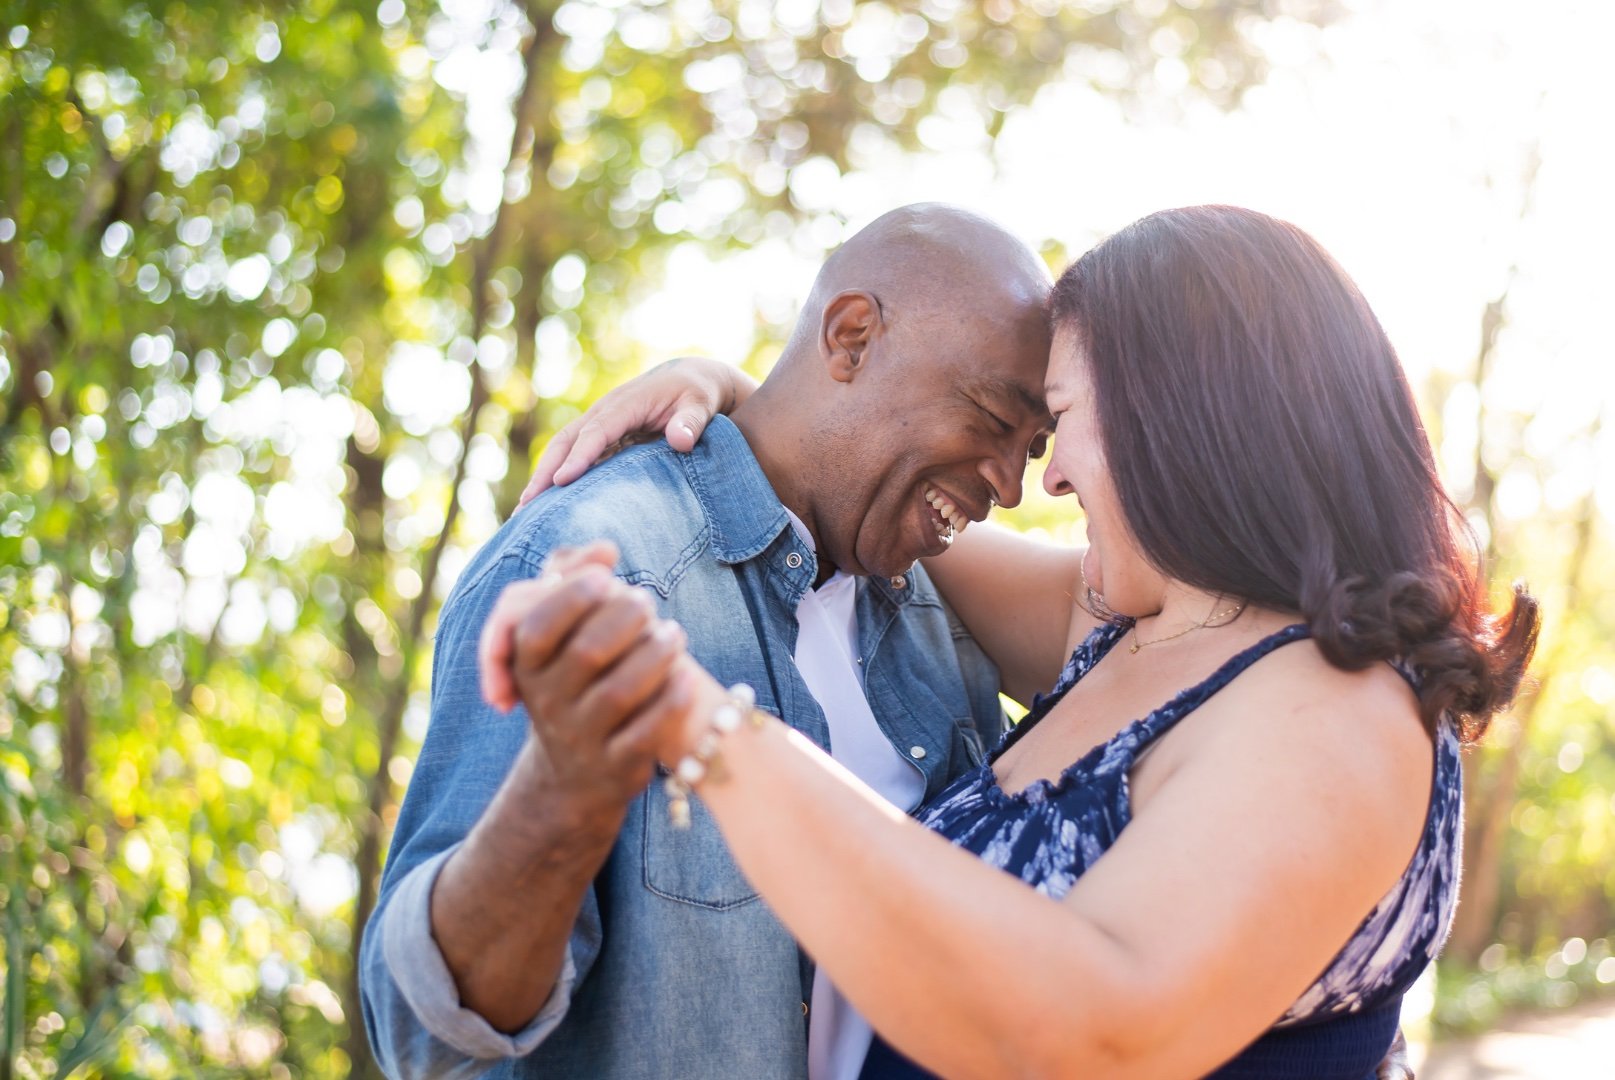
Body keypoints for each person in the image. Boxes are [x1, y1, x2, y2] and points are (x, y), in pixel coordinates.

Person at [497, 205, 1538, 1078]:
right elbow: (856, 496)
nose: (1040, 481)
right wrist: (742, 396)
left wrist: (696, 720)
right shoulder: (1140, 630)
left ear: (1180, 420)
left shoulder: (1333, 706)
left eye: (1058, 421)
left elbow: (1102, 1030)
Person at [357, 204, 1059, 1078]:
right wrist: (563, 798)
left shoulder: (939, 622)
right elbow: (422, 1036)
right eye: (994, 418)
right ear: (850, 338)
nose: (1011, 483)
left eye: (1034, 447)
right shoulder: (597, 567)